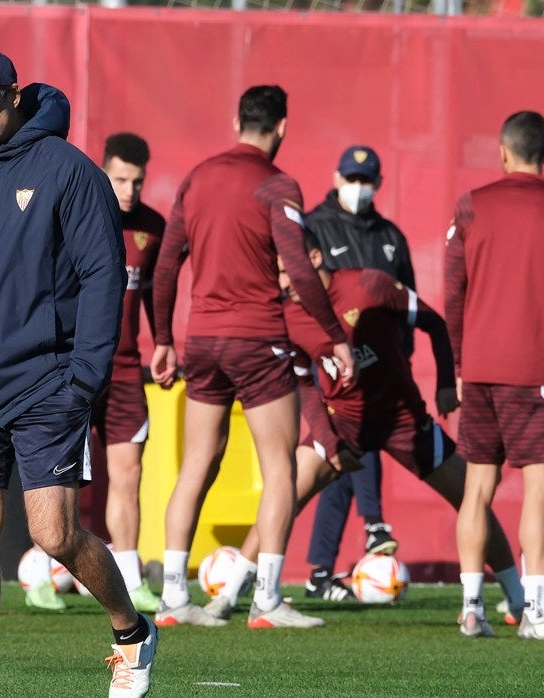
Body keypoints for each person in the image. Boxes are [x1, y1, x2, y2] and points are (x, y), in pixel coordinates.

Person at [0, 48, 156, 698]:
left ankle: (132, 632)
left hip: (47, 384)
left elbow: (105, 277)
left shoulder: (70, 173)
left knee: (53, 534)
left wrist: (84, 379)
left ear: (13, 96)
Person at [217, 236, 526, 623]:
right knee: (286, 491)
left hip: (404, 421)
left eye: (285, 271)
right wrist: (328, 442)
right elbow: (304, 384)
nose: (281, 283)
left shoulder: (370, 285)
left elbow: (435, 323)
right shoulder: (288, 314)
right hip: (343, 422)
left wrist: (448, 381)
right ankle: (229, 596)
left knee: (472, 500)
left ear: (314, 256)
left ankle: (519, 599)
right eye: (276, 273)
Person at [149, 85, 356, 629]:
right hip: (257, 340)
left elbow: (166, 264)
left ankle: (172, 597)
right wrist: (335, 335)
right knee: (279, 466)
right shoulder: (275, 183)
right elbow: (301, 267)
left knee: (198, 463)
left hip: (202, 340)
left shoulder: (196, 179)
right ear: (282, 127)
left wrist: (164, 339)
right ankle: (266, 599)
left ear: (235, 119)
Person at [444, 110, 544, 641]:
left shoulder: (470, 206)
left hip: (481, 369)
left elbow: (453, 292)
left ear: (503, 152)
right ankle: (536, 611)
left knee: (477, 489)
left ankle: (470, 609)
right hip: (532, 371)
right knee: (540, 485)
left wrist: (460, 365)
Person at [300, 145, 413, 602]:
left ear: (378, 185)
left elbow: (409, 302)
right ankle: (374, 523)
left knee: (339, 466)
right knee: (350, 444)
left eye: (367, 181)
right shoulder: (315, 226)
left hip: (381, 362)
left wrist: (402, 356)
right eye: (352, 179)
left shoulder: (390, 236)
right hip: (330, 360)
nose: (359, 189)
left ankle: (318, 574)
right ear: (336, 177)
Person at [96, 132, 166, 613]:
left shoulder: (152, 228)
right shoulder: (76, 212)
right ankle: (40, 570)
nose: (128, 190)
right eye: (120, 178)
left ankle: (129, 576)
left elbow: (158, 294)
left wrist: (164, 341)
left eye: (137, 181)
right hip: (72, 369)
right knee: (54, 480)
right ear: (104, 171)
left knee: (128, 474)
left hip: (124, 371)